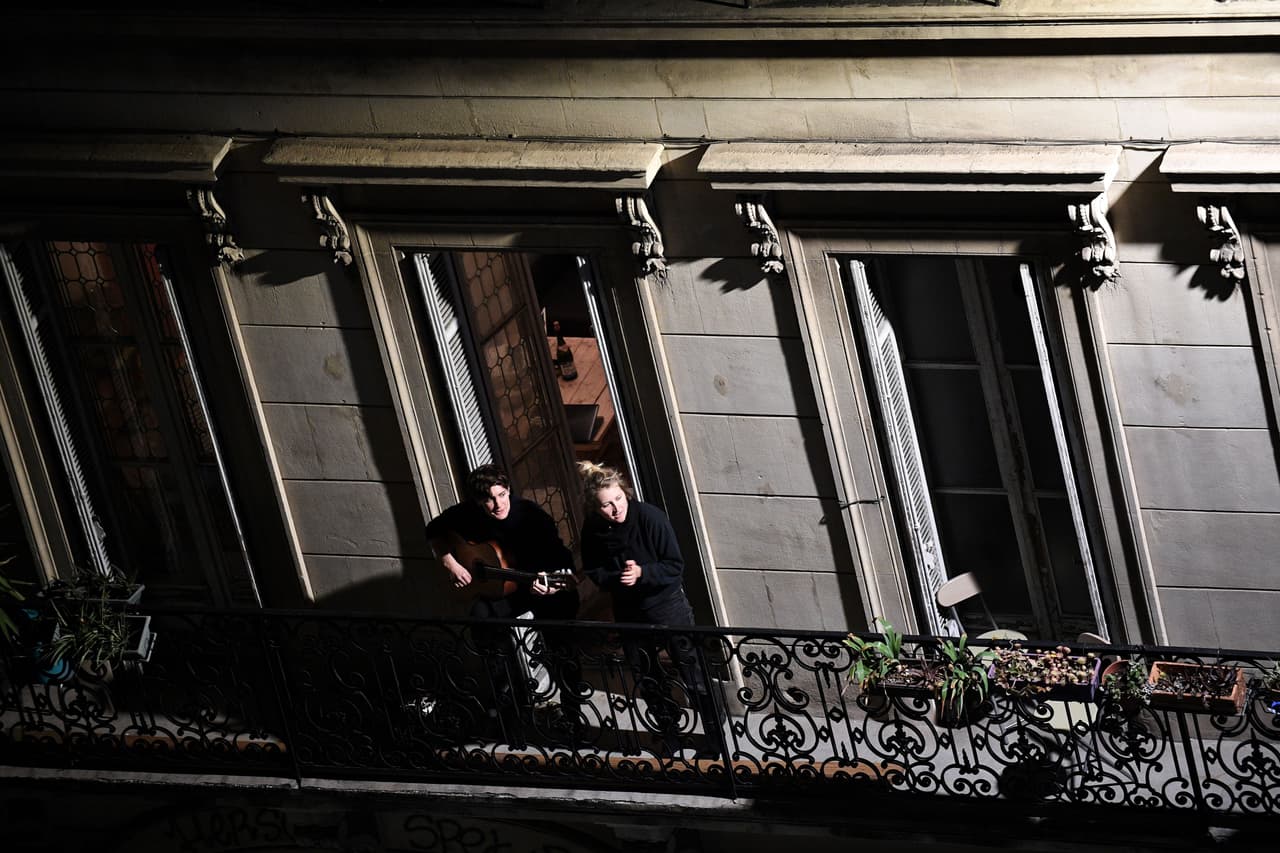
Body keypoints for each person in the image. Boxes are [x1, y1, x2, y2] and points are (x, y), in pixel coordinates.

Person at [577, 462, 725, 759]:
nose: (615, 509)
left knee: (691, 672)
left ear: (625, 493)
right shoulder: (593, 529)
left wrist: (643, 573)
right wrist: (618, 577)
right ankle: (669, 734)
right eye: (606, 505)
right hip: (629, 610)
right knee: (647, 677)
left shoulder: (650, 518)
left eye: (618, 499)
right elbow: (594, 570)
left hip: (667, 606)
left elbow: (674, 565)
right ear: (595, 507)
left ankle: (715, 738)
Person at [426, 464, 581, 745]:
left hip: (539, 582)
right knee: (481, 619)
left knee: (562, 639)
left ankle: (572, 716)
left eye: (501, 495)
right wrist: (452, 565)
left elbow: (561, 561)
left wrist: (548, 581)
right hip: (504, 589)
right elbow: (433, 531)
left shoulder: (532, 517)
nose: (497, 504)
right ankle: (509, 709)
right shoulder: (467, 514)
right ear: (477, 501)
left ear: (508, 490)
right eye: (488, 499)